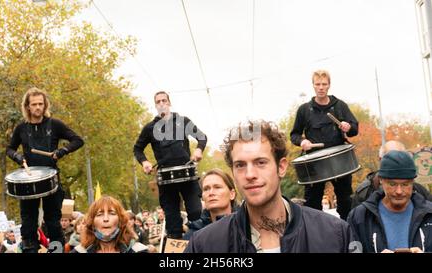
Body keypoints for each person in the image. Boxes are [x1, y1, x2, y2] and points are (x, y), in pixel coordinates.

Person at [185, 120, 353, 253]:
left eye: (261, 162)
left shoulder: (333, 234)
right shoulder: (204, 245)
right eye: (240, 165)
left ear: (281, 167)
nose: (250, 174)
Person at [6, 87, 84, 253]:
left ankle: (56, 251)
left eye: (41, 104)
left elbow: (78, 140)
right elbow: (10, 149)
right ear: (27, 106)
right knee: (28, 223)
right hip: (28, 180)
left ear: (45, 105)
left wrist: (62, 151)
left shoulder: (54, 124)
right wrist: (18, 158)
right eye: (34, 104)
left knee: (53, 222)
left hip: (51, 178)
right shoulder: (21, 128)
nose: (38, 107)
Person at [134, 91, 207, 239]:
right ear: (155, 105)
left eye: (164, 101)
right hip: (166, 179)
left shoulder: (183, 121)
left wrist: (199, 150)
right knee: (172, 220)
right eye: (158, 102)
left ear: (169, 103)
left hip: (188, 175)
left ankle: (202, 245)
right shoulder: (150, 128)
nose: (161, 104)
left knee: (196, 214)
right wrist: (145, 162)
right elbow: (137, 148)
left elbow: (202, 137)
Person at [290, 70, 359, 220]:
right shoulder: (304, 110)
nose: (321, 87)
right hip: (315, 162)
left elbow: (355, 129)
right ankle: (316, 235)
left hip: (339, 159)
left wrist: (349, 127)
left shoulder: (340, 106)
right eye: (318, 84)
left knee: (346, 200)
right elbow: (294, 134)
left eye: (324, 84)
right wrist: (302, 142)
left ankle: (348, 230)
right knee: (312, 202)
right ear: (313, 86)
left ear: (329, 85)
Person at [347, 150, 432, 253]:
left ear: (413, 182)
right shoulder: (360, 217)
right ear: (381, 180)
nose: (399, 191)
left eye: (405, 184)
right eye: (392, 184)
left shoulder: (429, 214)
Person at [351, 140, 432, 209]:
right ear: (380, 160)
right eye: (390, 159)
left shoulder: (419, 191)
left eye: (401, 158)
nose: (399, 191)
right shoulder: (364, 193)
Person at [183, 168, 238, 240]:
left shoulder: (246, 226)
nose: (211, 193)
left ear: (232, 194)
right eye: (206, 189)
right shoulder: (193, 235)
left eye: (217, 187)